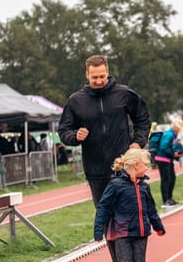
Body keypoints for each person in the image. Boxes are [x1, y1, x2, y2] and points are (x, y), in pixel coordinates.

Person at [58, 54, 151, 208]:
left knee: (128, 213)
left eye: (102, 76)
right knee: (105, 216)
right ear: (87, 74)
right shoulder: (76, 101)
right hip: (95, 171)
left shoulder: (124, 94)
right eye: (94, 77)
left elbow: (143, 119)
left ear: (107, 72)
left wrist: (137, 142)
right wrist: (75, 136)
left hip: (124, 166)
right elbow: (63, 130)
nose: (99, 81)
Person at [94, 148, 166, 262]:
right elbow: (103, 207)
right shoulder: (116, 185)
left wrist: (158, 226)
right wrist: (98, 230)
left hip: (141, 231)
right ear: (135, 165)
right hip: (123, 232)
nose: (147, 168)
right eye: (145, 165)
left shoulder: (144, 187)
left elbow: (151, 209)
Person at [154, 118, 183, 208]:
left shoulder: (173, 134)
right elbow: (163, 146)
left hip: (167, 159)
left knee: (172, 179)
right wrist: (173, 153)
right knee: (165, 180)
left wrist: (175, 152)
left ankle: (169, 198)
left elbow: (169, 146)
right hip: (162, 159)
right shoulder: (169, 134)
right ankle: (165, 201)